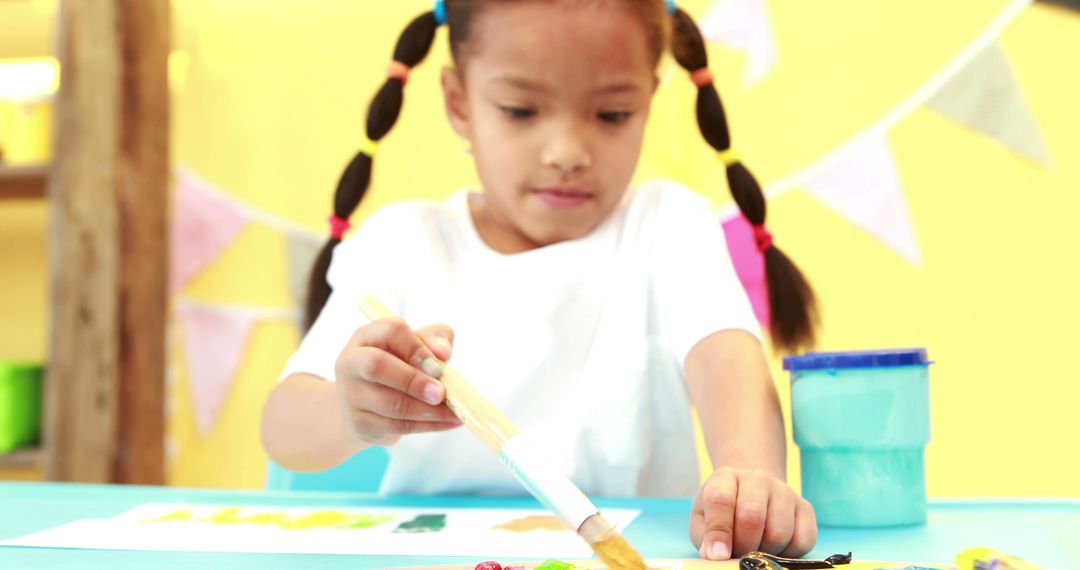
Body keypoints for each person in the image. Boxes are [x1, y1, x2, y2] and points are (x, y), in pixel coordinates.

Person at [262, 0, 819, 561]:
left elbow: (729, 362)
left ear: (649, 101)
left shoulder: (669, 226)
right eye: (521, 110)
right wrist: (349, 411)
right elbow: (283, 430)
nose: (567, 154)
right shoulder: (402, 241)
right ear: (459, 103)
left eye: (612, 115)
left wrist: (749, 475)